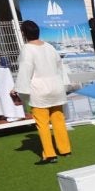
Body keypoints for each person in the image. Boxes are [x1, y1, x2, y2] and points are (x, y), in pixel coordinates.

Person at [14, 21, 72, 164]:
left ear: (24, 33)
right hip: (56, 88)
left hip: (39, 91)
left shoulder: (27, 49)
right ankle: (65, 149)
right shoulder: (50, 47)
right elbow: (61, 67)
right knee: (58, 120)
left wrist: (19, 90)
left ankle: (49, 154)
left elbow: (25, 71)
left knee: (43, 124)